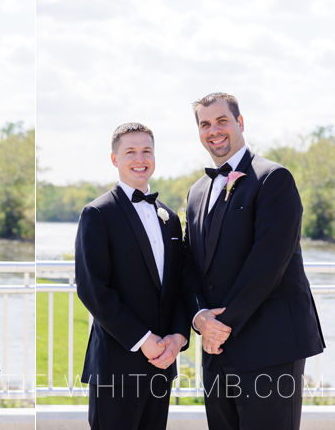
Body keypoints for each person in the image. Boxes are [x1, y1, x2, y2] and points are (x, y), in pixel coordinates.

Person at [185, 92, 325, 429]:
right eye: (205, 124)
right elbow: (188, 266)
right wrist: (199, 317)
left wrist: (221, 326)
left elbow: (268, 265)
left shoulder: (274, 179)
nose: (214, 130)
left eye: (222, 121)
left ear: (240, 122)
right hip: (216, 351)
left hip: (271, 347)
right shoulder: (196, 192)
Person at [74, 122, 191, 429]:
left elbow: (178, 285)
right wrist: (143, 340)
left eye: (147, 151)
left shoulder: (169, 218)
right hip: (117, 363)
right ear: (115, 159)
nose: (140, 158)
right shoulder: (98, 213)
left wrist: (178, 337)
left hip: (162, 363)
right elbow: (92, 289)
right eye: (130, 152)